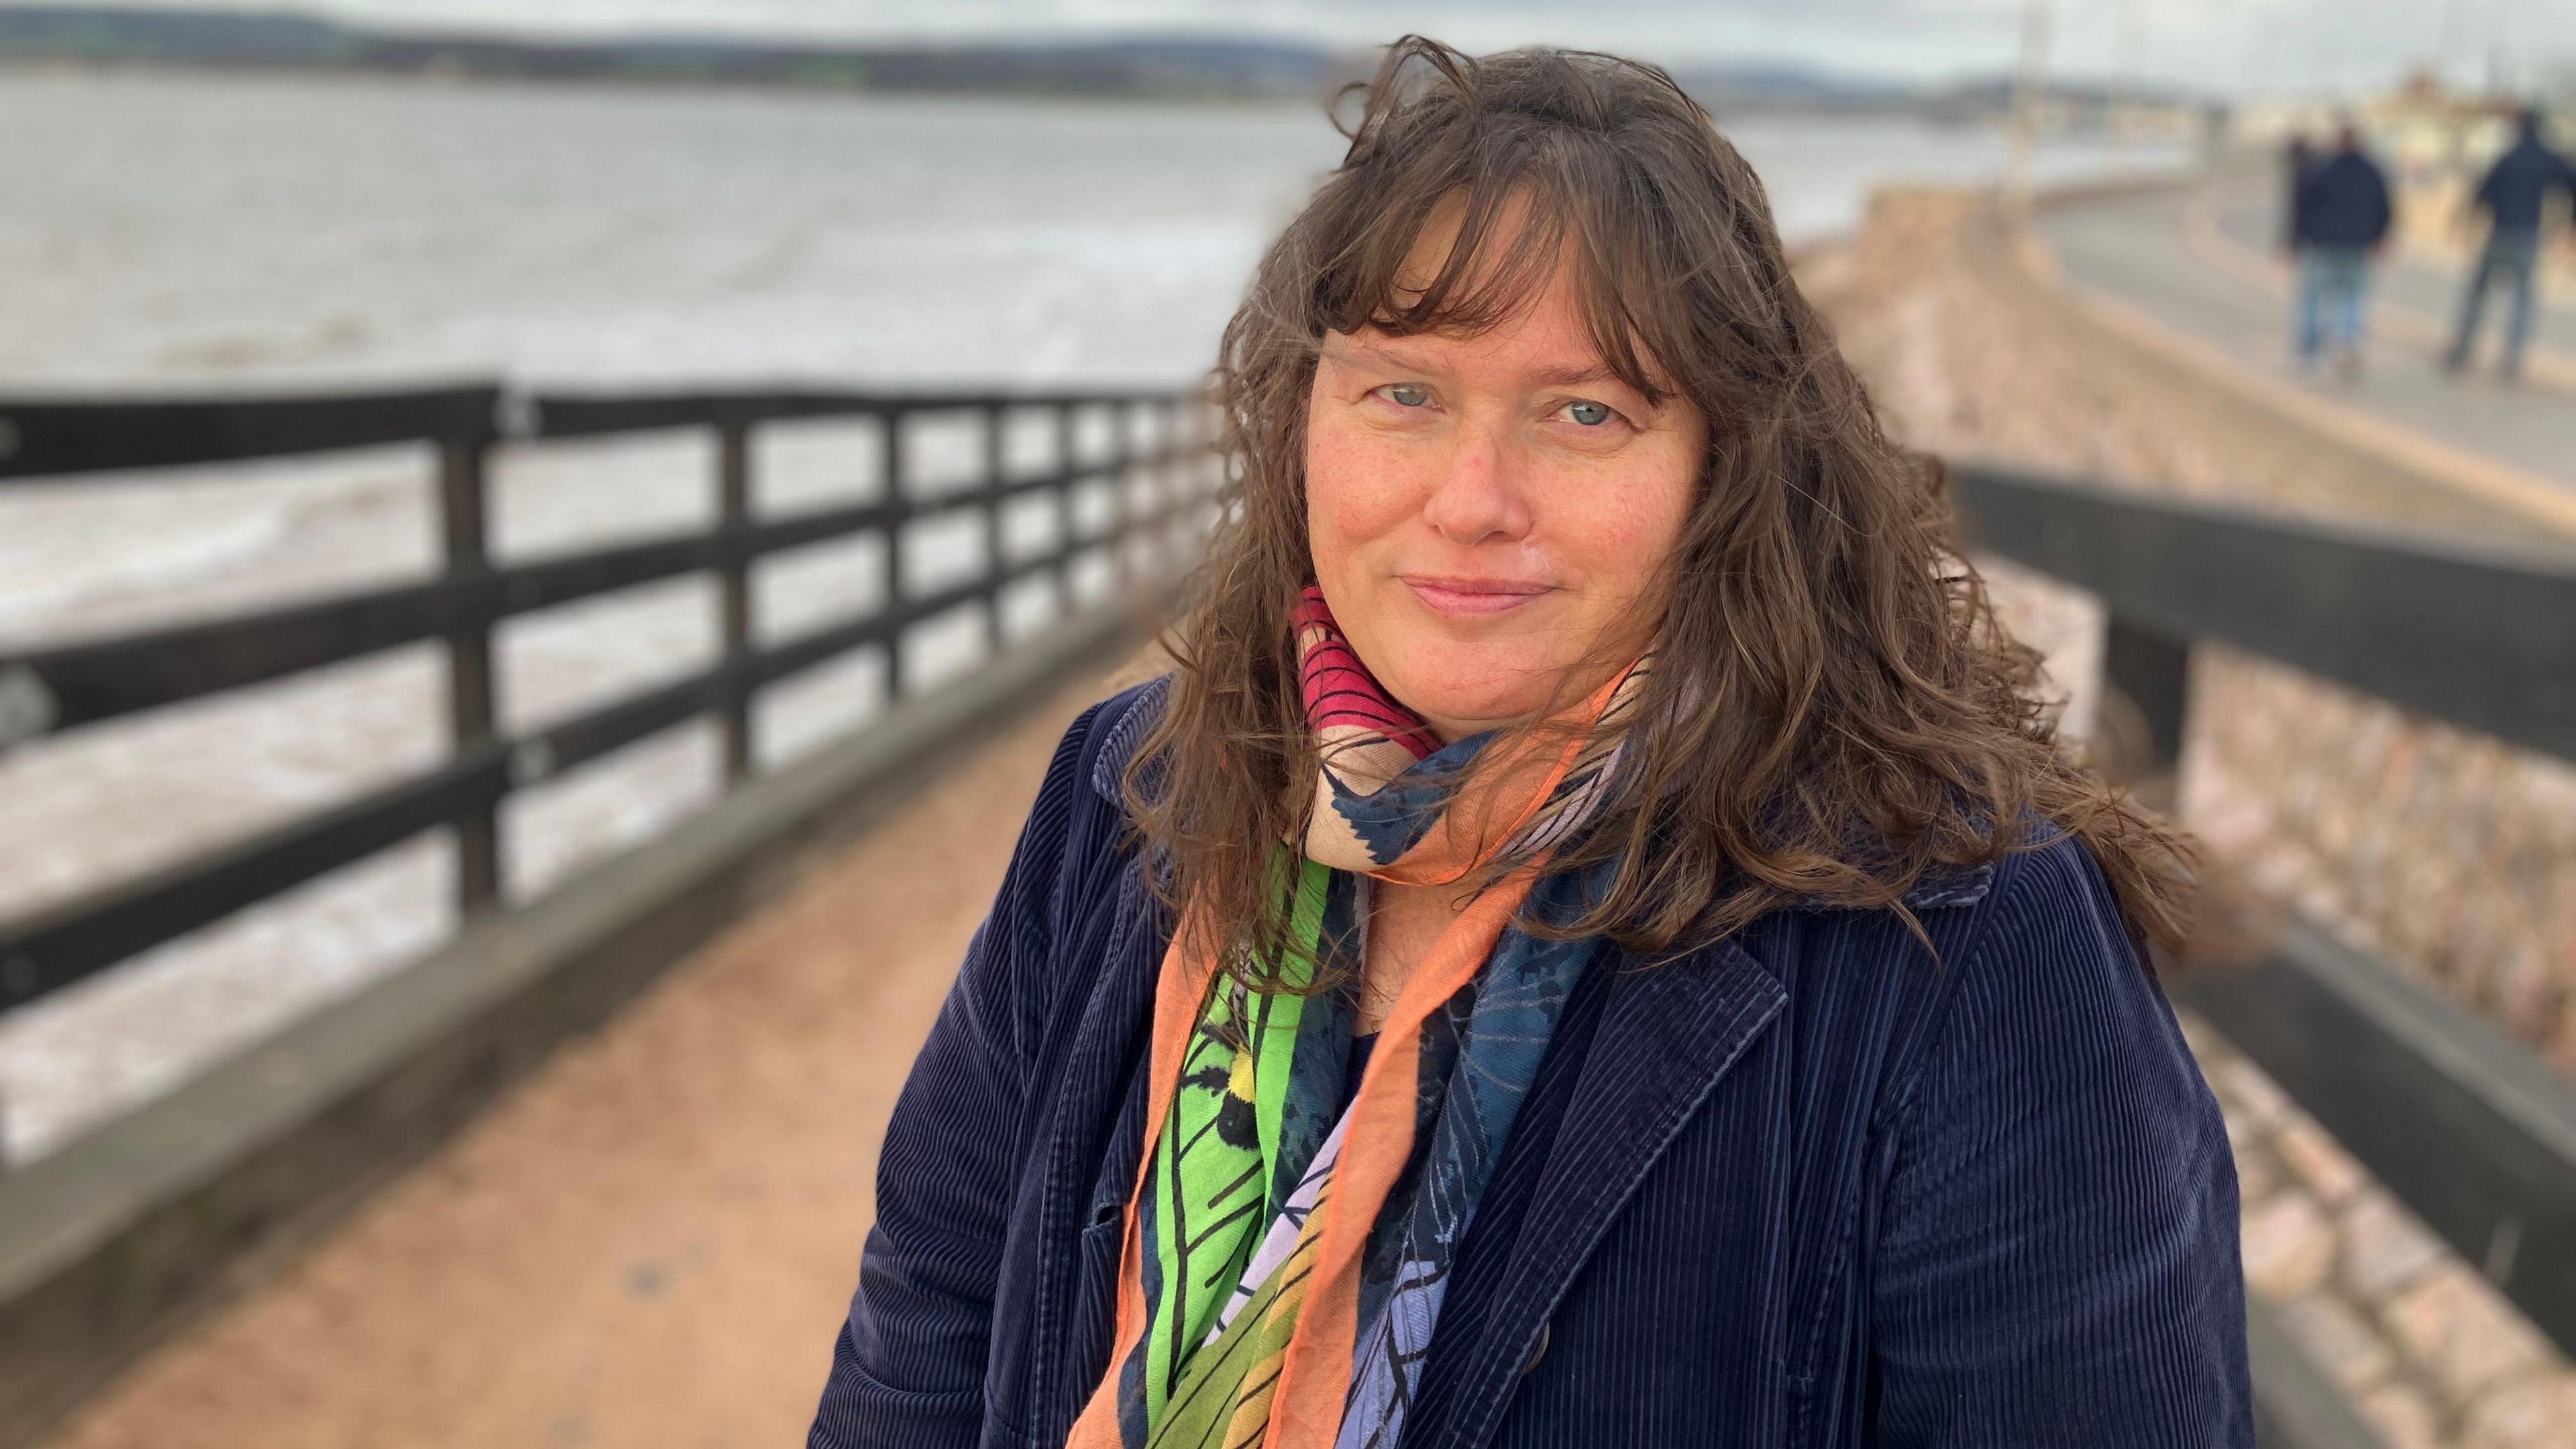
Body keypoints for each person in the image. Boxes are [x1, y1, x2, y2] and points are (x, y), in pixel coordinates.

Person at [809, 38, 2249, 1449]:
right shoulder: (1133, 796)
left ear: (1724, 470)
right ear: (1299, 419)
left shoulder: (1969, 942)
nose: (1474, 500)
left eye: (1584, 412)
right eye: (1405, 393)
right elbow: (933, 1307)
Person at [2447, 107, 2575, 382]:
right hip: (2528, 235)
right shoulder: (2548, 158)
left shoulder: (2509, 157)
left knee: (2479, 294)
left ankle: (2462, 351)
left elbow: (2483, 193)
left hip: (2501, 232)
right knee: (2523, 301)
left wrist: (2466, 223)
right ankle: (2512, 359)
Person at [2295, 121, 2395, 380]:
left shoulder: (2322, 168)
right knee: (2353, 300)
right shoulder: (2372, 171)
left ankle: (2310, 350)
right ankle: (2347, 343)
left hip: (2324, 245)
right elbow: (2385, 207)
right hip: (2356, 246)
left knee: (2314, 300)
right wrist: (2380, 237)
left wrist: (2299, 239)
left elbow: (2303, 207)